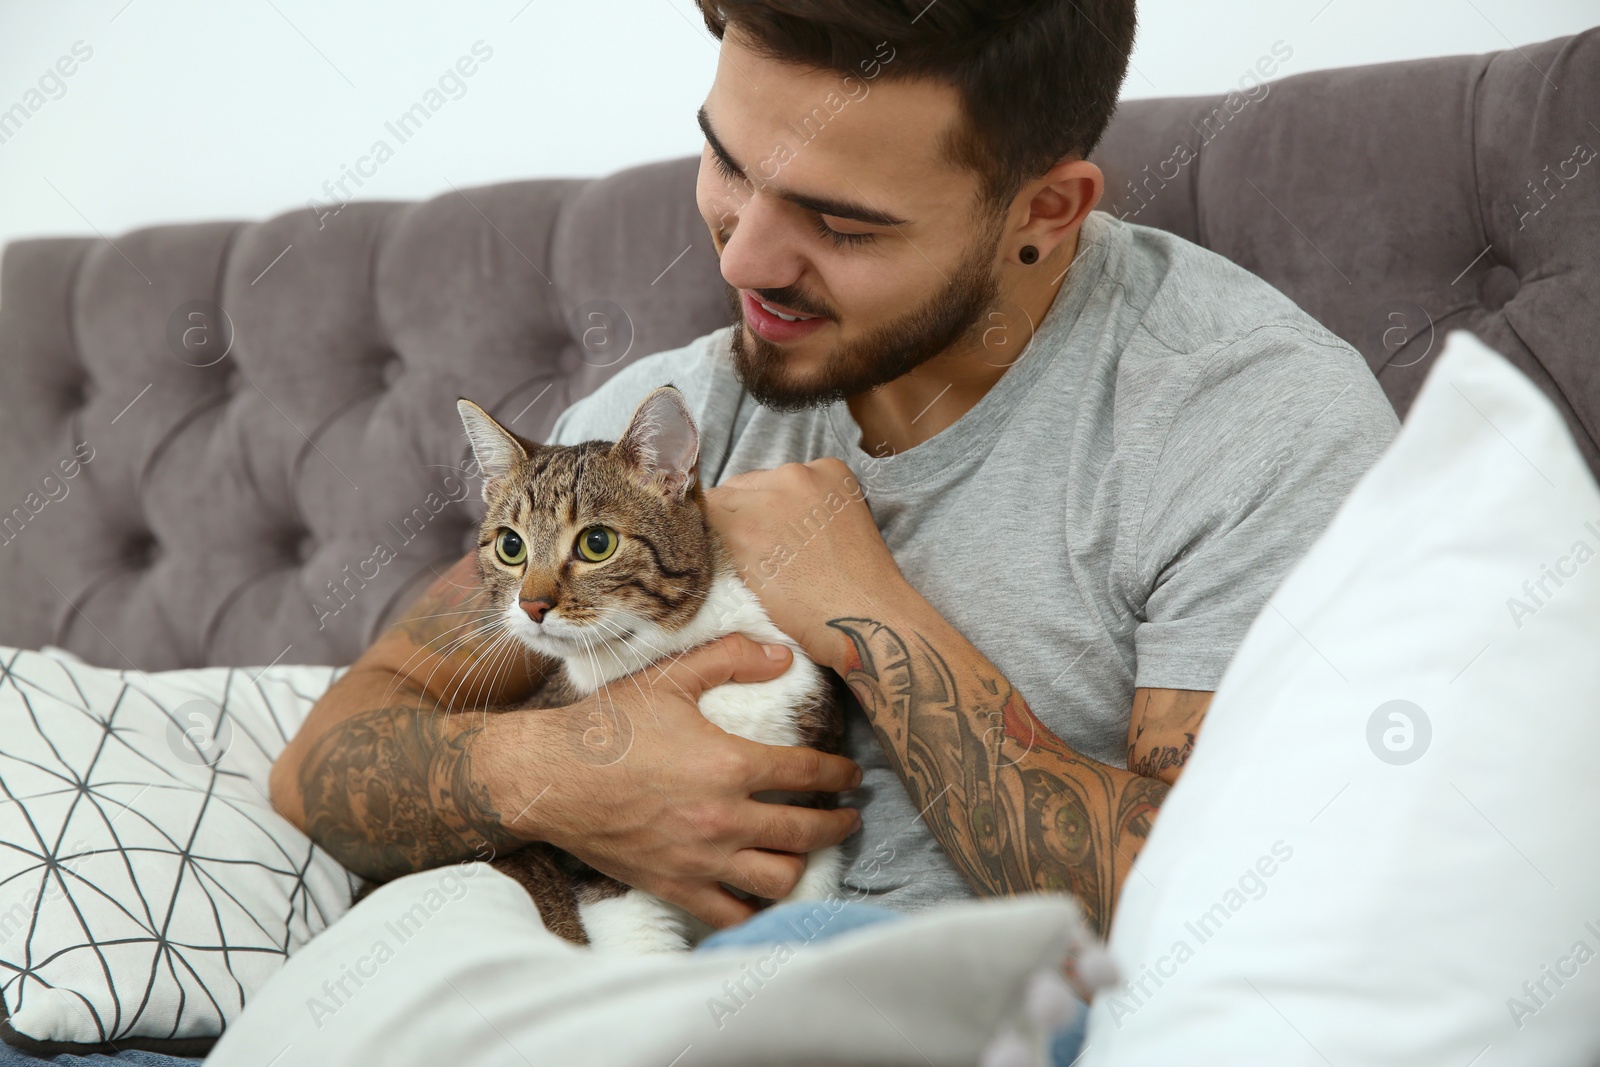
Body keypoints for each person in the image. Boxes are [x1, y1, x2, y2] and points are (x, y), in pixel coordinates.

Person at [271, 0, 1398, 986]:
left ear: (1046, 211)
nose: (742, 261)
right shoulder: (649, 434)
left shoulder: (1248, 421)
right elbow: (327, 760)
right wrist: (568, 773)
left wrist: (869, 614)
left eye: (839, 221)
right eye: (726, 165)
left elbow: (1235, 914)